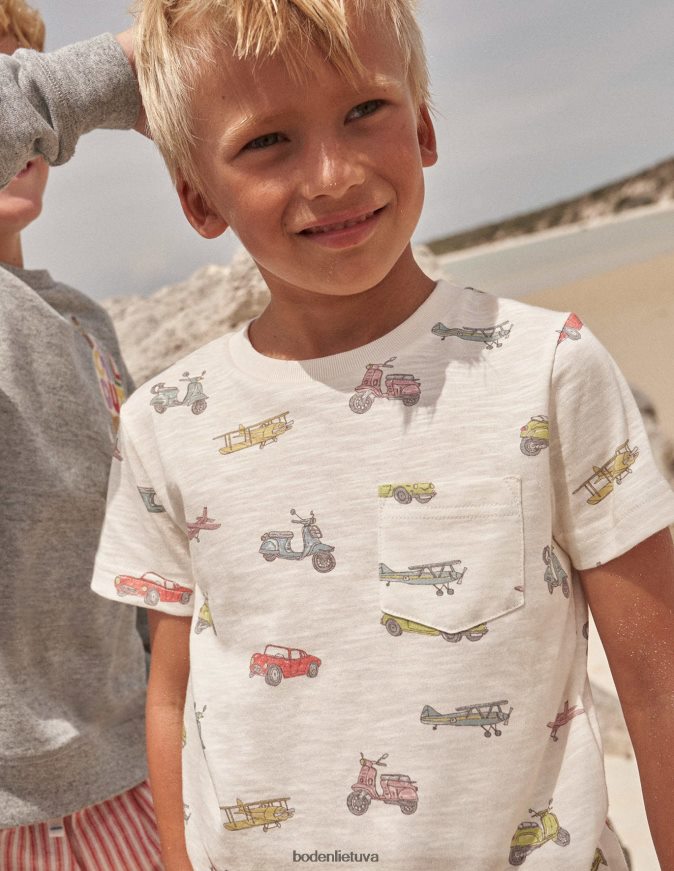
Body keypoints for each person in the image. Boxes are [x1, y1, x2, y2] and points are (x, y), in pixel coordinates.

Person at [1, 2, 673, 869]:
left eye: (364, 111)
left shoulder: (550, 369)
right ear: (197, 196)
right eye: (266, 141)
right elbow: (170, 696)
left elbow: (657, 682)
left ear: (424, 128)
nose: (331, 175)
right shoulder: (166, 420)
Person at [0, 3, 161, 868]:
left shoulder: (82, 320)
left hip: (131, 783)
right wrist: (115, 71)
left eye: (13, 67)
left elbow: (137, 555)